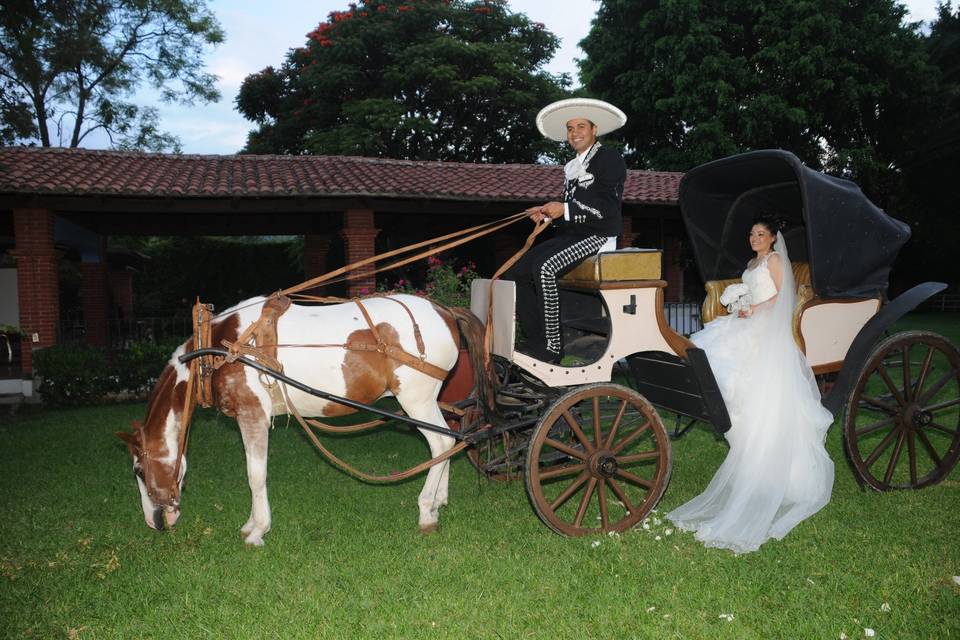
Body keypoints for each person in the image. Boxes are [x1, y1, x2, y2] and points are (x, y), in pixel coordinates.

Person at [667, 213, 835, 553]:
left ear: (773, 238)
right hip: (746, 320)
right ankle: (734, 429)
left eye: (760, 234)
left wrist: (752, 309)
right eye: (752, 233)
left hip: (765, 327)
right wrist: (740, 305)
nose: (755, 238)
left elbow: (783, 297)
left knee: (743, 378)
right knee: (706, 352)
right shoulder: (751, 261)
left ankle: (766, 458)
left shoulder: (774, 260)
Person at [505, 98, 628, 363]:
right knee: (517, 271)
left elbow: (606, 205)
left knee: (545, 268)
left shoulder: (609, 158)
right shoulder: (573, 166)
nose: (574, 133)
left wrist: (564, 208)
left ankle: (553, 347)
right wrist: (548, 214)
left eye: (581, 126)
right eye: (570, 128)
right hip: (573, 234)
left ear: (594, 130)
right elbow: (570, 209)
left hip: (599, 235)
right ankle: (535, 340)